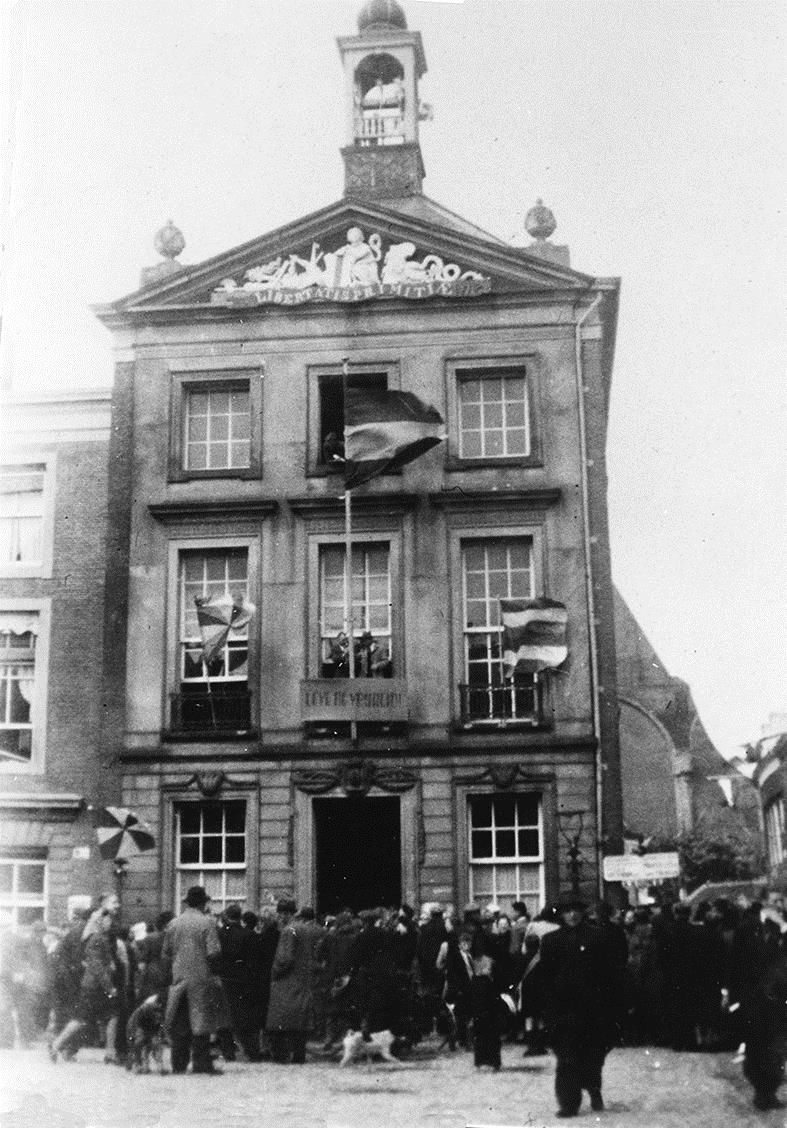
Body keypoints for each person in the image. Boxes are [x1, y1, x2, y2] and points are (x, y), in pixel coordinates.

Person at [539, 896, 616, 1118]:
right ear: (561, 914)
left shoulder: (597, 937)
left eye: (575, 910)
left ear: (582, 912)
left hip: (592, 1008)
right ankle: (568, 1103)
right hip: (563, 1009)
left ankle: (593, 1089)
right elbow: (545, 976)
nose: (572, 915)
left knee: (592, 1055)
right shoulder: (551, 940)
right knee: (566, 1058)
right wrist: (548, 1008)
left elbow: (608, 973)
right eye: (567, 911)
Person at [161, 885, 229, 1074]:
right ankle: (201, 1064)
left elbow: (165, 953)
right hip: (201, 978)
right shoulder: (207, 923)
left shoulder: (174, 924)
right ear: (202, 903)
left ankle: (178, 1064)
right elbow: (214, 952)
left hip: (179, 978)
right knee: (202, 1023)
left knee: (181, 1023)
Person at [50, 906, 120, 1063]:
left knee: (84, 1018)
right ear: (100, 921)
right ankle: (110, 1053)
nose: (110, 922)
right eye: (108, 919)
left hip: (92, 986)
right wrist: (110, 987)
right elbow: (97, 966)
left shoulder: (96, 937)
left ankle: (56, 1045)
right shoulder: (98, 938)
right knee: (108, 1016)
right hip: (96, 987)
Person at [266, 900, 321, 1063]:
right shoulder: (307, 929)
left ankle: (280, 1056)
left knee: (279, 1019)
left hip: (287, 980)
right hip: (304, 979)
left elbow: (285, 958)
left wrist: (275, 972)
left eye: (280, 914)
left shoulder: (288, 930)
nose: (279, 917)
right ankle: (299, 1055)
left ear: (285, 914)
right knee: (300, 1020)